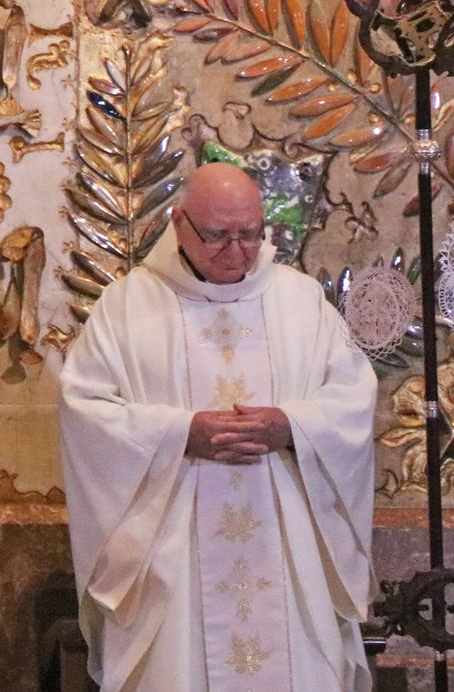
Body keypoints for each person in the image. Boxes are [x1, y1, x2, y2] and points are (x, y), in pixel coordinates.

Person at [57, 161, 377, 690]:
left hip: (285, 540)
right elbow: (84, 408)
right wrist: (181, 433)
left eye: (250, 234)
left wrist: (291, 425)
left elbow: (353, 398)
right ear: (180, 224)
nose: (237, 251)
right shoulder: (128, 305)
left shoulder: (298, 301)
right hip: (173, 553)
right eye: (218, 236)